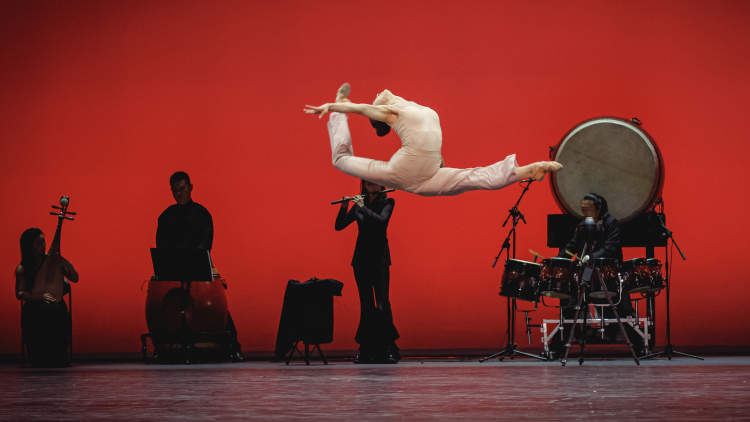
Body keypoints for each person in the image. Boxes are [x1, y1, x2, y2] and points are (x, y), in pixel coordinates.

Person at [304, 83, 562, 196]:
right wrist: (334, 106)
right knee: (471, 178)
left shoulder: (416, 110)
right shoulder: (399, 112)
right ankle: (522, 171)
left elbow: (430, 144)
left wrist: (439, 163)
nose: (378, 93)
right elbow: (361, 109)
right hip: (415, 171)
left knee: (472, 178)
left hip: (417, 172)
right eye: (377, 98)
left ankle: (525, 171)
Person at [155, 171, 242, 361]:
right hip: (174, 268)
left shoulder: (202, 214)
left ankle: (233, 345)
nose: (179, 193)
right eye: (175, 190)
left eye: (182, 189)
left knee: (214, 298)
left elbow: (205, 245)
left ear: (191, 188)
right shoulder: (166, 216)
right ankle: (163, 345)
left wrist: (189, 259)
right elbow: (161, 246)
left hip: (198, 265)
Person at [550, 193, 644, 357]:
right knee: (572, 305)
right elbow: (572, 245)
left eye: (588, 209)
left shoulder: (611, 224)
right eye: (583, 209)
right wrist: (560, 259)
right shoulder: (583, 225)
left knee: (621, 309)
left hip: (608, 271)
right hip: (587, 271)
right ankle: (558, 346)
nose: (585, 212)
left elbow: (610, 247)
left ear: (598, 208)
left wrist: (592, 256)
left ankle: (639, 344)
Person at [335, 179, 399, 363]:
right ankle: (366, 349)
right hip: (361, 260)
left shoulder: (388, 202)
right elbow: (339, 226)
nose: (371, 186)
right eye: (368, 183)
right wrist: (344, 207)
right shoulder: (358, 204)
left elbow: (381, 222)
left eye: (374, 183)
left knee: (382, 303)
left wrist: (362, 207)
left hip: (379, 259)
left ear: (380, 185)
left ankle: (388, 348)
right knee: (366, 305)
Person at [15, 228, 79, 367]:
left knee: (56, 310)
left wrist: (64, 262)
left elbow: (75, 278)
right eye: (38, 243)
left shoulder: (53, 262)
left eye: (44, 242)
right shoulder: (23, 268)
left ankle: (59, 354)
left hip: (56, 307)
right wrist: (38, 296)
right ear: (29, 246)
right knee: (40, 312)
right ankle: (38, 355)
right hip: (35, 306)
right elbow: (19, 293)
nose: (43, 246)